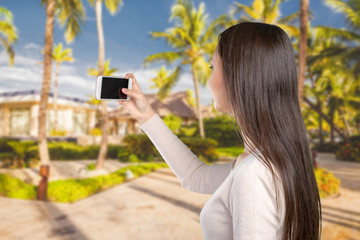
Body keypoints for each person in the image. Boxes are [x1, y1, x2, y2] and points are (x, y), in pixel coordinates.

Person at [117, 22, 322, 240]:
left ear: (239, 76)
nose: (209, 80)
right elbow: (195, 177)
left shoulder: (253, 174)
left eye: (212, 67)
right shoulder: (274, 160)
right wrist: (145, 115)